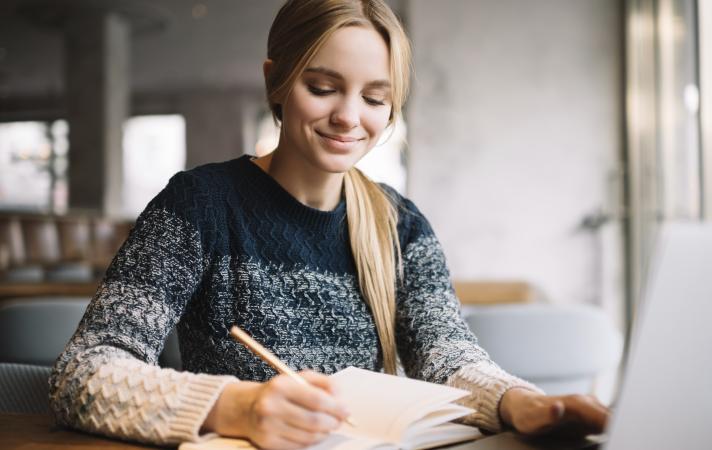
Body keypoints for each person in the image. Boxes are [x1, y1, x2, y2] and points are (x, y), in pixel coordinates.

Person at [49, 0, 610, 448]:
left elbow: (447, 353)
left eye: (375, 98)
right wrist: (235, 406)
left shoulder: (400, 223)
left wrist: (520, 402)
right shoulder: (201, 205)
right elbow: (83, 373)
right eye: (322, 88)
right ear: (276, 80)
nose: (348, 116)